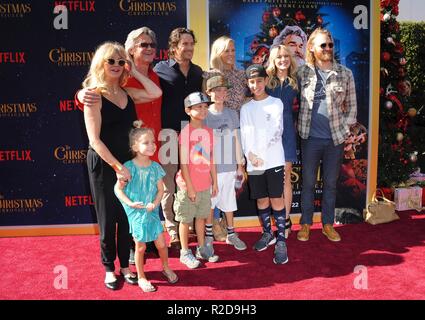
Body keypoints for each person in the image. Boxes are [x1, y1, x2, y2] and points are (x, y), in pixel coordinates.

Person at [76, 27, 162, 263]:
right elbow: (94, 140)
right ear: (100, 63)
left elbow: (155, 92)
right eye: (110, 60)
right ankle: (108, 268)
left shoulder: (128, 92)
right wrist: (118, 167)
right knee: (107, 218)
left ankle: (125, 266)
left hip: (126, 162)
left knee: (127, 216)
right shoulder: (93, 95)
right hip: (105, 164)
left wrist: (132, 68)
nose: (115, 64)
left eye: (120, 61)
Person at [296, 28, 357, 242]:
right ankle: (305, 224)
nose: (328, 48)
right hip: (310, 138)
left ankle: (328, 224)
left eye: (330, 45)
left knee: (331, 183)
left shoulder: (345, 73)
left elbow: (351, 107)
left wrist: (345, 129)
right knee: (308, 183)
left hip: (334, 140)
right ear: (312, 47)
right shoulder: (302, 72)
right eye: (323, 45)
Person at [154, 28, 204, 250]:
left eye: (192, 43)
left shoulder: (197, 72)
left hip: (192, 137)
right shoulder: (160, 70)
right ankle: (172, 231)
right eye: (185, 44)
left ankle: (189, 224)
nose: (190, 48)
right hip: (167, 136)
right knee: (168, 186)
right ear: (174, 47)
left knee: (192, 181)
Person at [114, 123, 178, 292]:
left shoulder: (156, 167)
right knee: (140, 246)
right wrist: (130, 203)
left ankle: (166, 267)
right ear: (135, 146)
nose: (152, 145)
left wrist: (155, 204)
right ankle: (142, 277)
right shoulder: (127, 167)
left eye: (153, 142)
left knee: (162, 244)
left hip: (152, 211)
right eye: (146, 142)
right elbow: (117, 189)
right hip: (136, 213)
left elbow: (161, 189)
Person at [240, 64, 288, 264]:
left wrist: (260, 154)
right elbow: (244, 134)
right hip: (254, 162)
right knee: (261, 200)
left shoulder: (276, 103)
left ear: (266, 81)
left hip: (273, 159)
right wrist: (250, 155)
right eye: (252, 82)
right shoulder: (245, 108)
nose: (256, 85)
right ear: (247, 83)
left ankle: (281, 239)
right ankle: (268, 233)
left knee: (276, 199)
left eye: (259, 81)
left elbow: (277, 131)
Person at [202, 35, 248, 241]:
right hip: (214, 133)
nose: (230, 54)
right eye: (226, 50)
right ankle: (212, 227)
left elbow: (246, 98)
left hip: (235, 129)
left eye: (233, 49)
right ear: (217, 52)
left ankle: (224, 224)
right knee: (215, 182)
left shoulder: (240, 74)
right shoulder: (208, 74)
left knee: (230, 183)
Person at [173, 92, 219, 269]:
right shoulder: (185, 133)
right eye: (199, 107)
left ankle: (201, 248)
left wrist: (214, 181)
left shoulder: (209, 132)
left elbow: (212, 159)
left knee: (200, 218)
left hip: (205, 185)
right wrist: (190, 188)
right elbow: (183, 164)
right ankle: (185, 252)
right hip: (188, 186)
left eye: (206, 107)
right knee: (185, 220)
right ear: (188, 110)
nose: (203, 110)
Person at [266, 45, 299, 239]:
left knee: (286, 177)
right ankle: (274, 220)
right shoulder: (267, 81)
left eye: (286, 56)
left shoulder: (295, 82)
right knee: (272, 179)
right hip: (269, 136)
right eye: (279, 57)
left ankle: (285, 219)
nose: (283, 60)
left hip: (287, 134)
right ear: (273, 59)